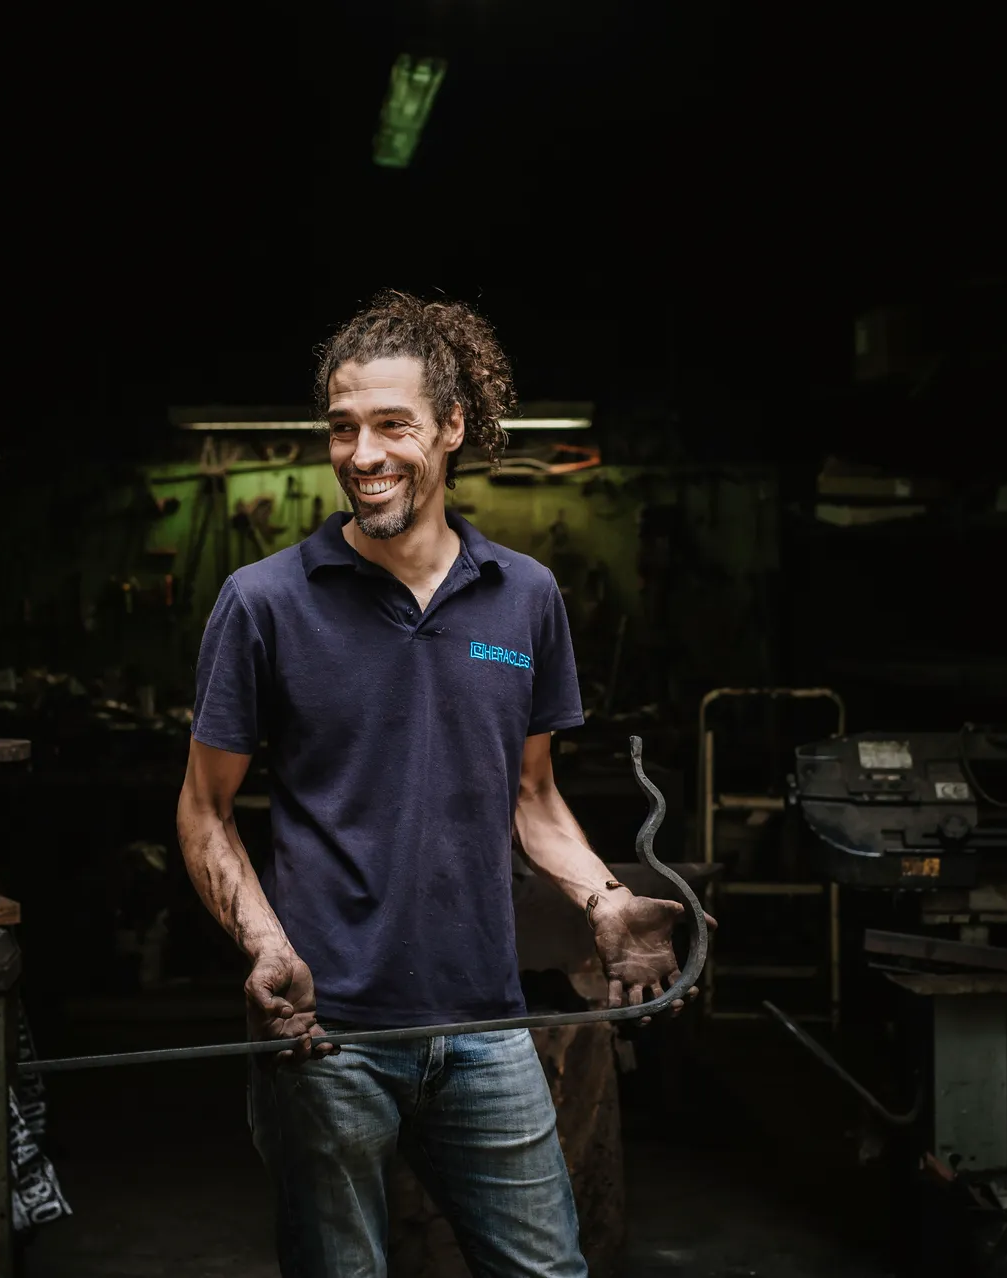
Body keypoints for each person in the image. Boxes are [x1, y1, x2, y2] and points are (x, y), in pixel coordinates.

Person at [177, 291, 701, 1277]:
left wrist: (605, 900)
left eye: (392, 426)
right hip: (324, 1038)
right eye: (342, 427)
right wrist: (262, 943)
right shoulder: (262, 605)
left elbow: (530, 796)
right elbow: (205, 811)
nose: (362, 454)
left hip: (487, 1026)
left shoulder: (527, 597)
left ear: (453, 428)